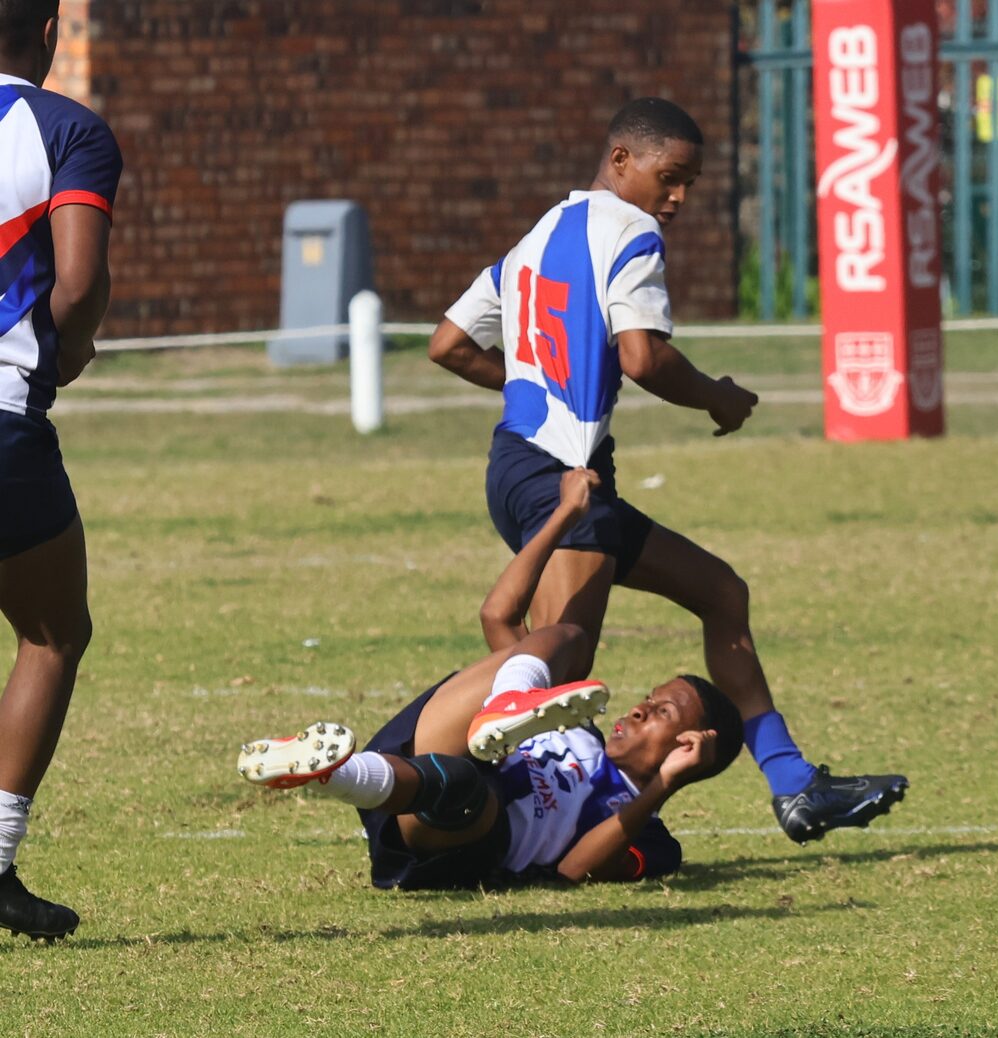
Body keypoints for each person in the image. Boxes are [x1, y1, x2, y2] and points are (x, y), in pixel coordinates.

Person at [427, 96, 907, 845]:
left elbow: (448, 344)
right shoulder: (631, 230)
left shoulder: (539, 235)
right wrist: (718, 397)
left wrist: (532, 383)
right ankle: (504, 817)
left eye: (691, 183)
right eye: (670, 176)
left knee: (721, 592)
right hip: (559, 475)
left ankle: (794, 784)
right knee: (557, 662)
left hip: (538, 467)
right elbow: (643, 357)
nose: (678, 197)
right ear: (621, 160)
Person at [237, 470, 745, 888]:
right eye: (649, 699)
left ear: (687, 746)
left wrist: (663, 785)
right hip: (421, 760)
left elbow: (575, 870)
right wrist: (564, 515)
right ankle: (499, 701)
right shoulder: (569, 720)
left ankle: (339, 774)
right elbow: (498, 616)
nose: (637, 709)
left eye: (661, 713)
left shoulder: (652, 836)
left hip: (463, 838)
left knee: (462, 783)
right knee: (565, 638)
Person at [0, 0, 122, 940]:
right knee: (51, 633)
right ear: (49, 33)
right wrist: (67, 353)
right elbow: (77, 285)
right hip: (3, 421)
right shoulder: (68, 130)